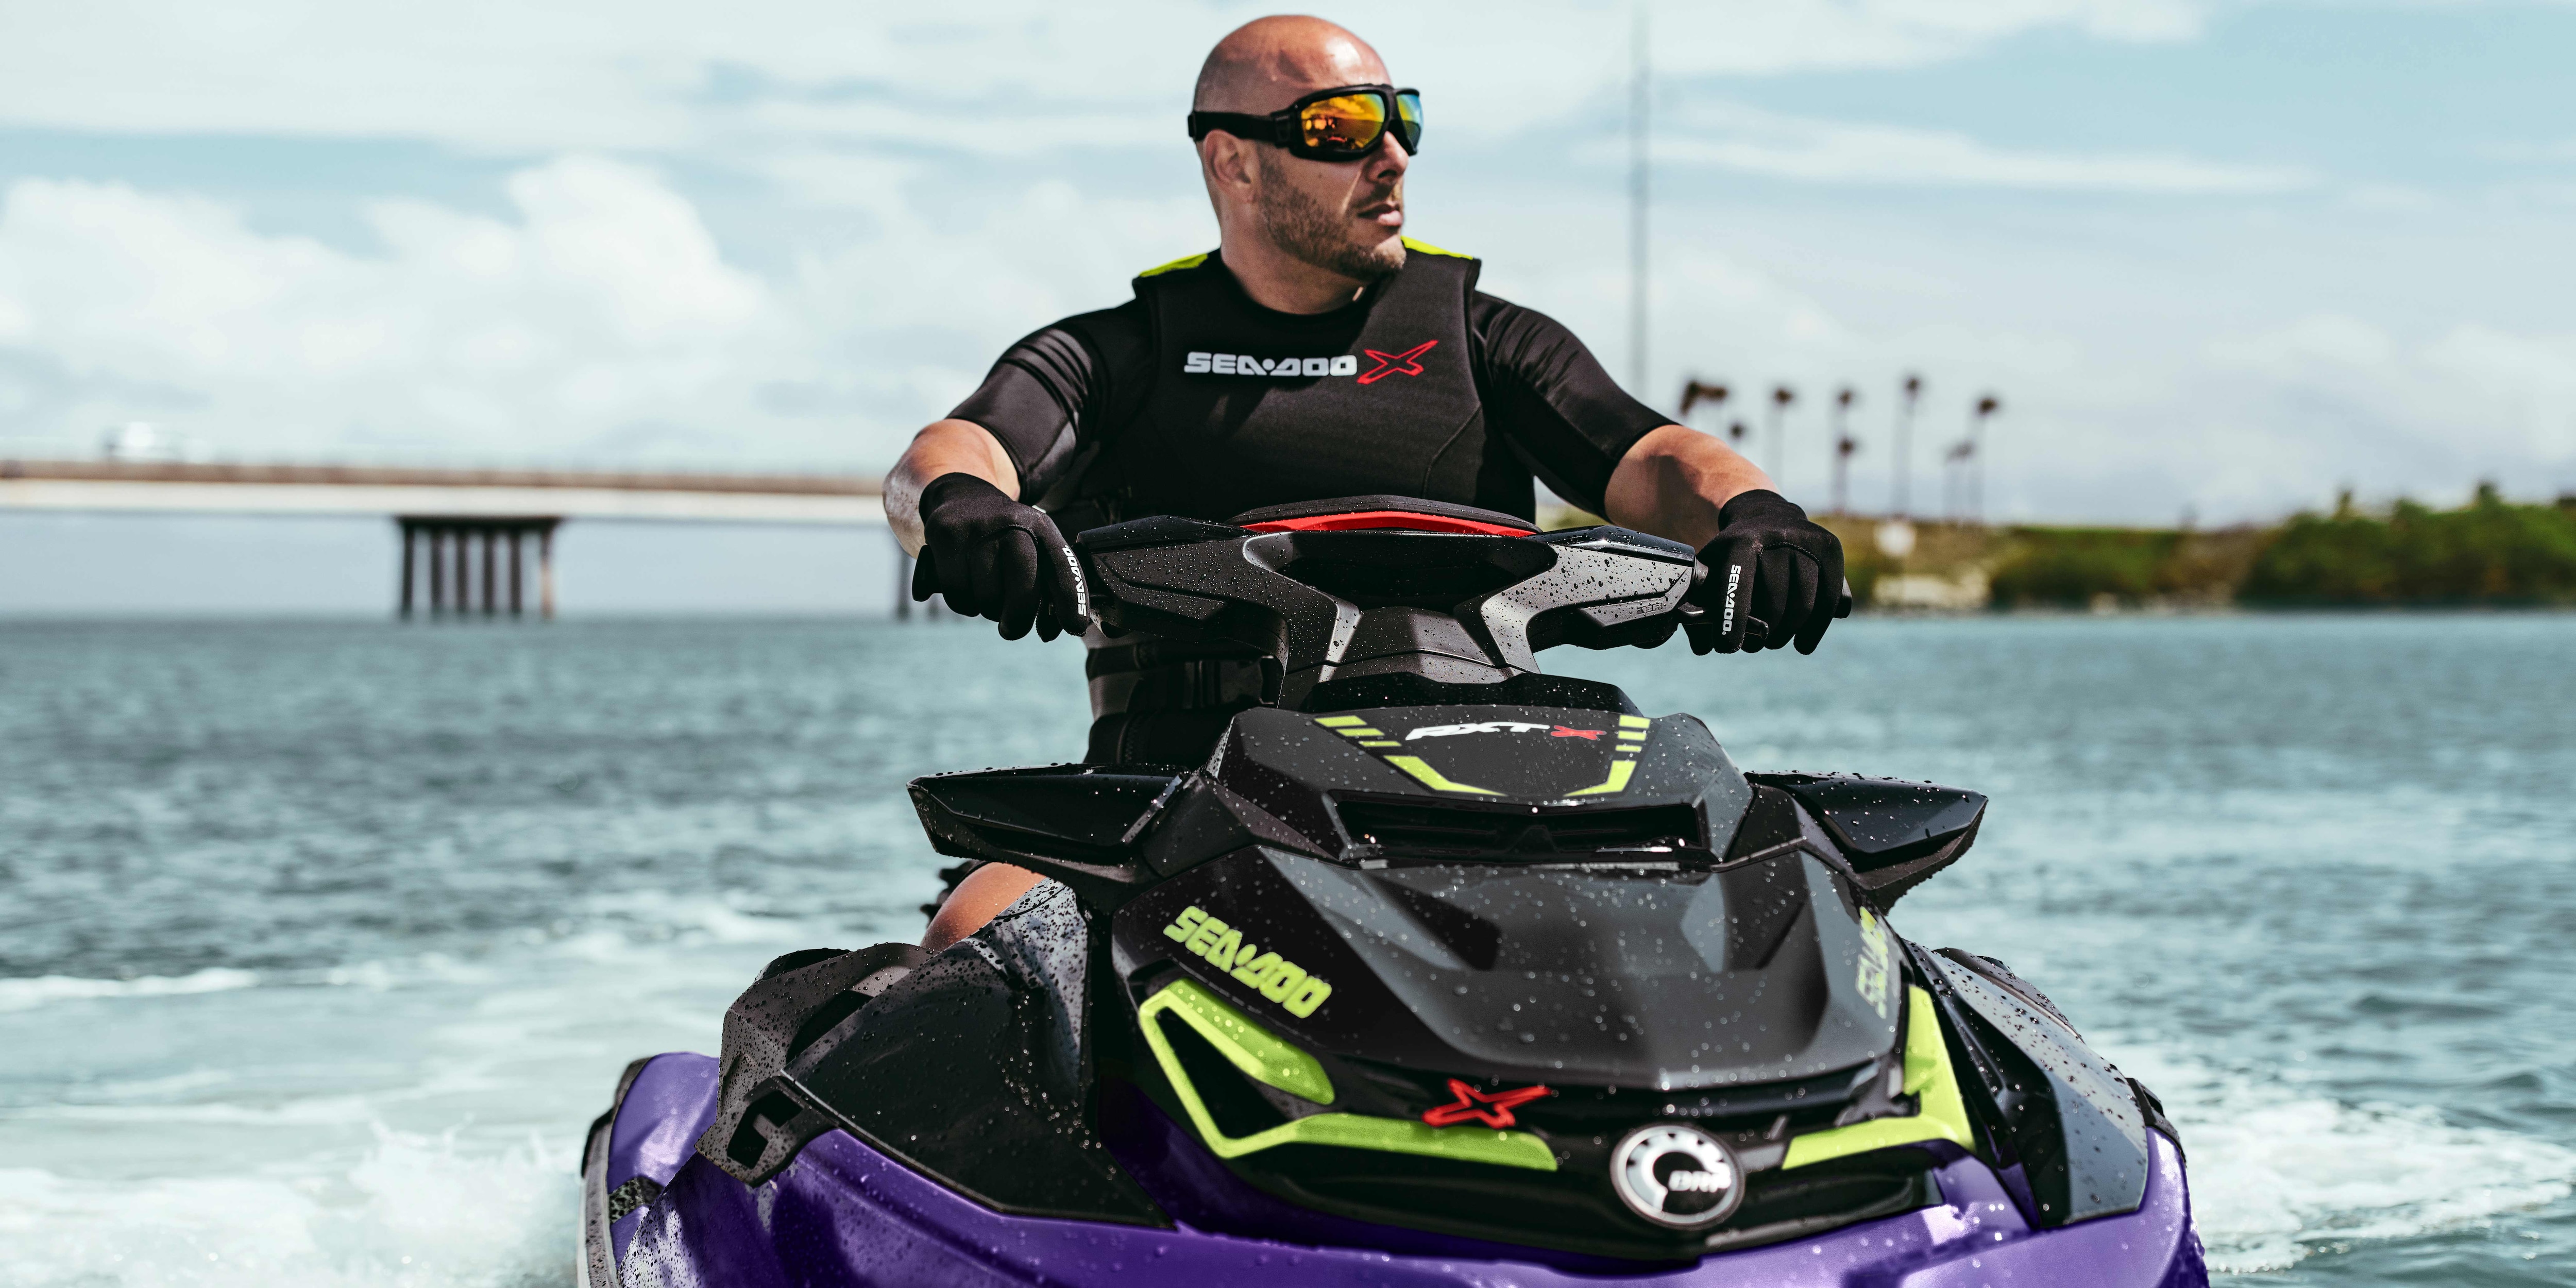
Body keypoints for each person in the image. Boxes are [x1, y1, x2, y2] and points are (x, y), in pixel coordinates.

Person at [891, 16, 1848, 948]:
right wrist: (962, 510)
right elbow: (958, 449)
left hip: (1494, 790)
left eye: (1404, 120)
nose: (1391, 156)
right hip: (1175, 798)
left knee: (1797, 908)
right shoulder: (1124, 349)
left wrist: (1755, 513)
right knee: (978, 928)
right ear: (1234, 162)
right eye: (1343, 128)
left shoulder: (1483, 335)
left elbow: (1649, 455)